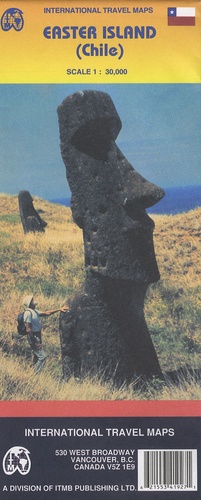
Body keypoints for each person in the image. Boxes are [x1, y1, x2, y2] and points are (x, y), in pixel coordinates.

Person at [23, 294, 68, 374]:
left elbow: (46, 313)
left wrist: (59, 309)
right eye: (32, 300)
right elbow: (28, 329)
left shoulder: (34, 311)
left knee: (37, 356)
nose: (34, 300)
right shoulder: (28, 313)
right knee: (42, 356)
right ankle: (35, 375)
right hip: (33, 336)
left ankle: (32, 373)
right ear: (29, 303)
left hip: (37, 335)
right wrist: (36, 342)